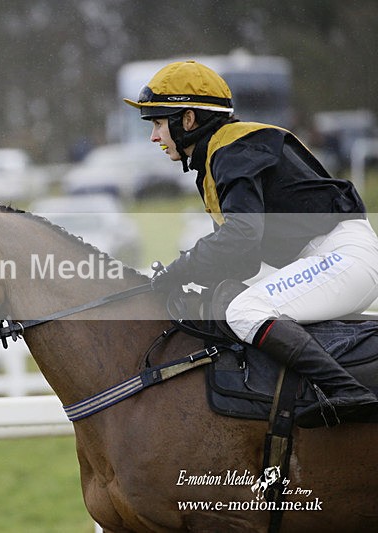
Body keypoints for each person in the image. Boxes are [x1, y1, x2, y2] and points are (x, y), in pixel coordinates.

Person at [124, 59, 378, 426]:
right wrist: (186, 280)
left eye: (159, 123)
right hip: (331, 257)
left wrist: (178, 271)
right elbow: (240, 258)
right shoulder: (221, 155)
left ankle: (347, 391)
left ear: (189, 120)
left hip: (343, 257)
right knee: (228, 296)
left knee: (244, 312)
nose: (154, 137)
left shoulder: (233, 150)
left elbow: (240, 237)